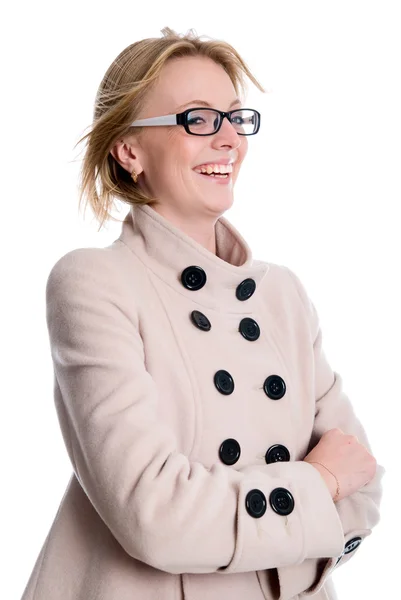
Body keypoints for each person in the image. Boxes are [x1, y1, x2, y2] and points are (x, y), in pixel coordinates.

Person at [20, 27, 385, 600]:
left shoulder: (283, 295)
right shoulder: (93, 283)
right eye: (197, 119)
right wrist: (318, 485)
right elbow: (154, 514)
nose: (228, 140)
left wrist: (292, 508)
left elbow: (364, 486)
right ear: (130, 150)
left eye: (235, 119)